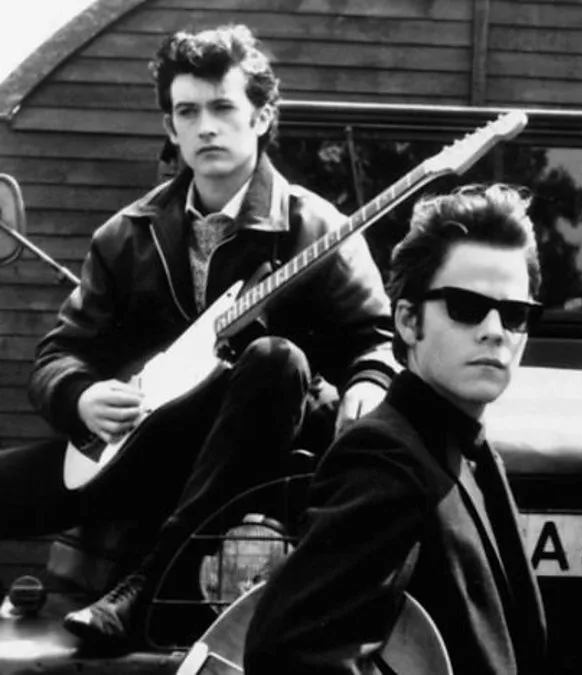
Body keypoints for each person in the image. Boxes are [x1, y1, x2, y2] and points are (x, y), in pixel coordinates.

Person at [2, 24, 396, 649]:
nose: (206, 127)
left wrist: (370, 380)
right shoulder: (125, 236)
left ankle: (146, 589)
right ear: (170, 126)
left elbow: (377, 337)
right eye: (188, 112)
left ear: (261, 117)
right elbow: (60, 352)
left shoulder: (320, 228)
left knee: (275, 358)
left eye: (222, 108)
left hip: (269, 462)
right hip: (152, 449)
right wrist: (80, 395)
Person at [244, 183, 548, 675]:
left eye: (515, 314)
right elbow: (294, 652)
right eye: (466, 307)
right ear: (407, 321)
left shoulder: (463, 448)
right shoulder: (385, 456)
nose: (495, 331)